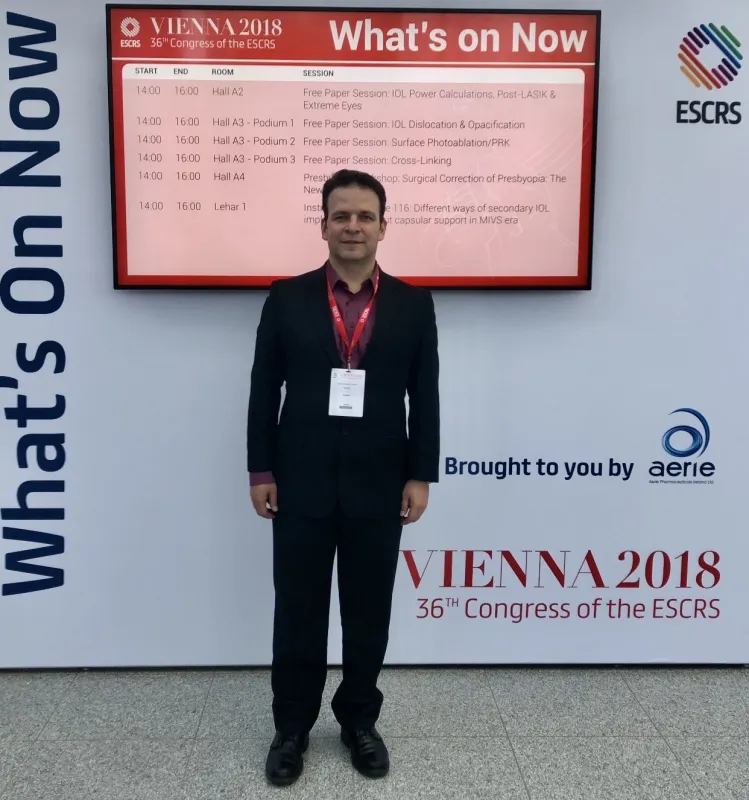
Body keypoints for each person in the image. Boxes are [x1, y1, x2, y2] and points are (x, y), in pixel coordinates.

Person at [246, 169, 440, 786]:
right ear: (323, 225)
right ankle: (292, 727)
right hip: (298, 482)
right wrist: (260, 468)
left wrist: (421, 474)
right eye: (341, 216)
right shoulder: (286, 298)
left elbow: (424, 396)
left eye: (364, 216)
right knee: (297, 611)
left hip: (380, 484)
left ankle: (359, 719)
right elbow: (263, 389)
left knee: (368, 612)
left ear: (383, 226)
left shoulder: (413, 304)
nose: (352, 226)